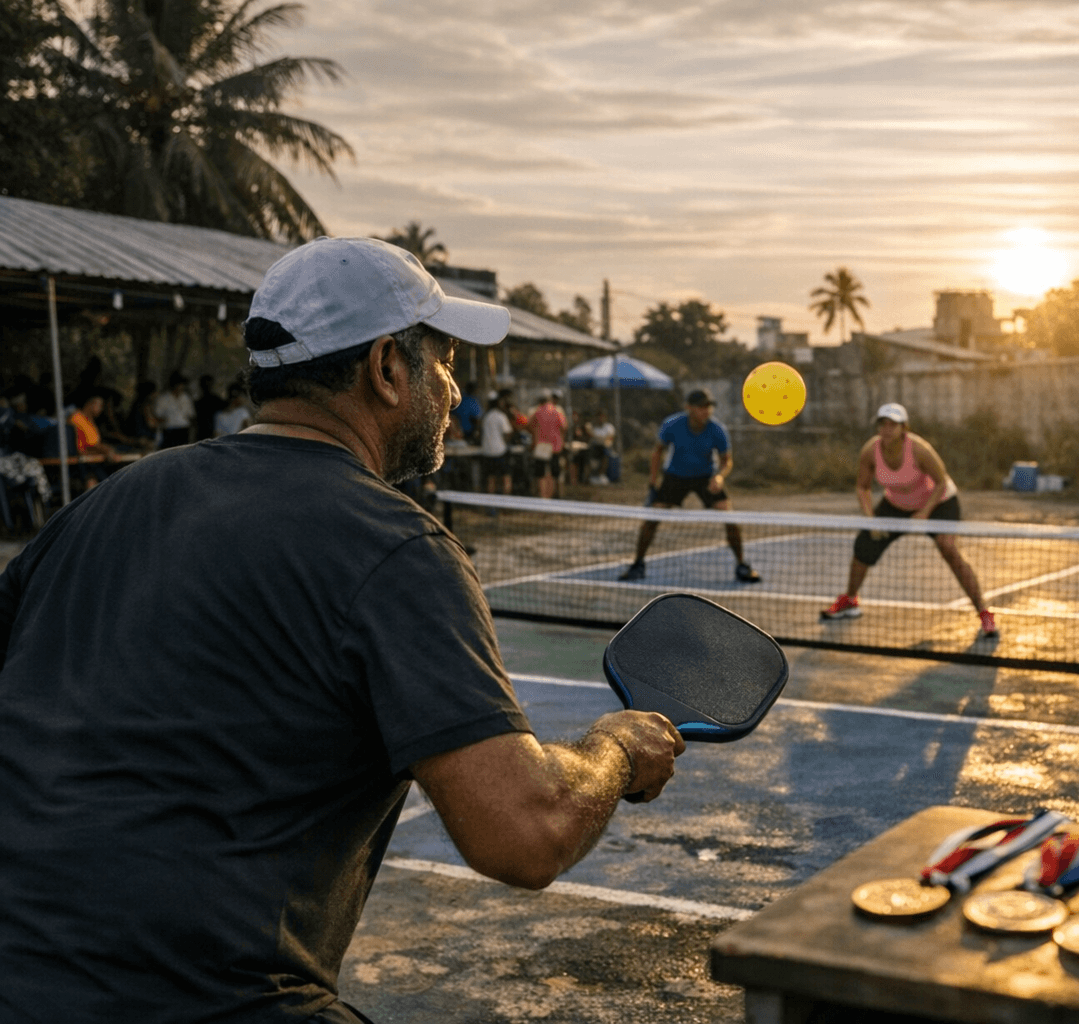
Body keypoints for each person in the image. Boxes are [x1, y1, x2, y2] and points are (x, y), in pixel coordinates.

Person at [0, 236, 685, 1023]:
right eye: (445, 362)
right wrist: (615, 751)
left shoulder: (108, 501)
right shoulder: (395, 547)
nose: (454, 391)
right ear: (388, 368)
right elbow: (524, 833)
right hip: (205, 998)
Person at [820, 403, 997, 638]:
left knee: (948, 548)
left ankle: (984, 612)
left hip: (939, 502)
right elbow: (862, 487)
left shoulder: (919, 450)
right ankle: (850, 601)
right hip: (896, 505)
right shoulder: (870, 451)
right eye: (882, 423)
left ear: (904, 428)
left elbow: (941, 482)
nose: (887, 429)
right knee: (864, 546)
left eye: (893, 424)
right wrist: (871, 518)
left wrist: (925, 512)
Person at [619, 388, 760, 584]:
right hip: (675, 477)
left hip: (705, 477)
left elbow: (727, 461)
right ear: (689, 408)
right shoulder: (672, 424)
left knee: (731, 520)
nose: (707, 411)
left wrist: (719, 477)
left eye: (709, 407)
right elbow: (657, 451)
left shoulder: (717, 429)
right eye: (702, 407)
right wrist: (653, 481)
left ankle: (742, 565)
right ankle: (637, 565)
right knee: (651, 520)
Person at [66, 391, 122, 488]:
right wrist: (106, 449)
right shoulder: (76, 418)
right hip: (83, 463)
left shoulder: (91, 421)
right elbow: (83, 447)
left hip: (96, 460)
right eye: (99, 405)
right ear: (90, 403)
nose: (101, 409)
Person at [529, 390, 567, 499]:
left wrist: (536, 435)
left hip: (541, 445)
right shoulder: (556, 411)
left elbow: (530, 425)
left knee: (541, 472)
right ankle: (552, 495)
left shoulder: (537, 411)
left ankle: (543, 496)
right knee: (554, 472)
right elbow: (564, 426)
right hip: (555, 445)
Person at [480, 391, 516, 495]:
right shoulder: (500, 416)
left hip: (487, 451)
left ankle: (491, 505)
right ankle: (506, 503)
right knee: (506, 477)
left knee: (491, 478)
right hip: (500, 451)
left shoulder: (485, 417)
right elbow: (508, 433)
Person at [152, 371, 196, 447]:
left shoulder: (186, 398)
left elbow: (191, 414)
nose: (181, 386)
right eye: (179, 384)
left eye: (182, 384)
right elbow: (157, 415)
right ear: (174, 385)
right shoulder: (163, 398)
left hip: (184, 430)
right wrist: (165, 421)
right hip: (169, 431)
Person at [587, 408, 616, 484]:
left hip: (605, 448)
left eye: (602, 416)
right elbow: (592, 436)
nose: (600, 419)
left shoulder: (609, 427)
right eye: (598, 416)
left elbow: (609, 438)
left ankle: (601, 474)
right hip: (595, 448)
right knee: (592, 452)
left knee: (605, 452)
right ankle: (593, 475)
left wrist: (599, 438)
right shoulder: (594, 428)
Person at [194, 373, 223, 440]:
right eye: (205, 384)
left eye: (209, 384)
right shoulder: (198, 402)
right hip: (202, 433)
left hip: (214, 432)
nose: (207, 386)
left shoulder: (216, 400)